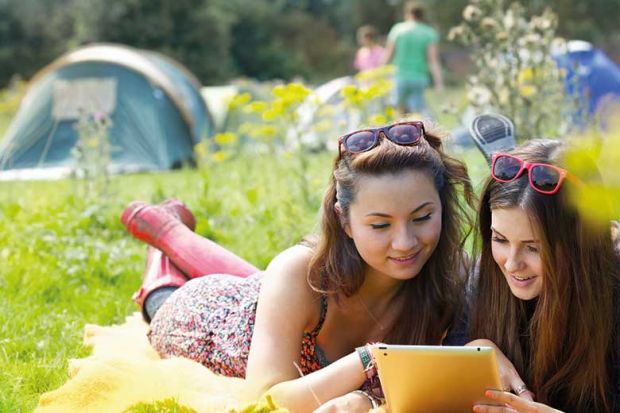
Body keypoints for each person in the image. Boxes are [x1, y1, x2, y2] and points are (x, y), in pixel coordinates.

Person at [120, 121, 475, 412]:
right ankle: (162, 254)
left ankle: (168, 231)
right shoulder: (301, 271)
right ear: (345, 221)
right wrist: (372, 358)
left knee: (267, 280)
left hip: (271, 294)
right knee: (164, 300)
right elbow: (267, 399)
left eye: (422, 217)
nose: (405, 242)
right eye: (380, 225)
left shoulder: (452, 275)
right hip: (213, 320)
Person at [464, 139, 620, 412]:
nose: (512, 264)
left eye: (533, 248)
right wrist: (477, 349)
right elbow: (456, 339)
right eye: (500, 239)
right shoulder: (485, 274)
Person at [383, 1, 443, 115]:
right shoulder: (429, 32)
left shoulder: (398, 29)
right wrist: (438, 82)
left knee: (399, 113)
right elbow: (433, 60)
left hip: (399, 76)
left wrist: (379, 74)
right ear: (422, 15)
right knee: (417, 114)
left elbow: (388, 55)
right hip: (419, 77)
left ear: (408, 14)